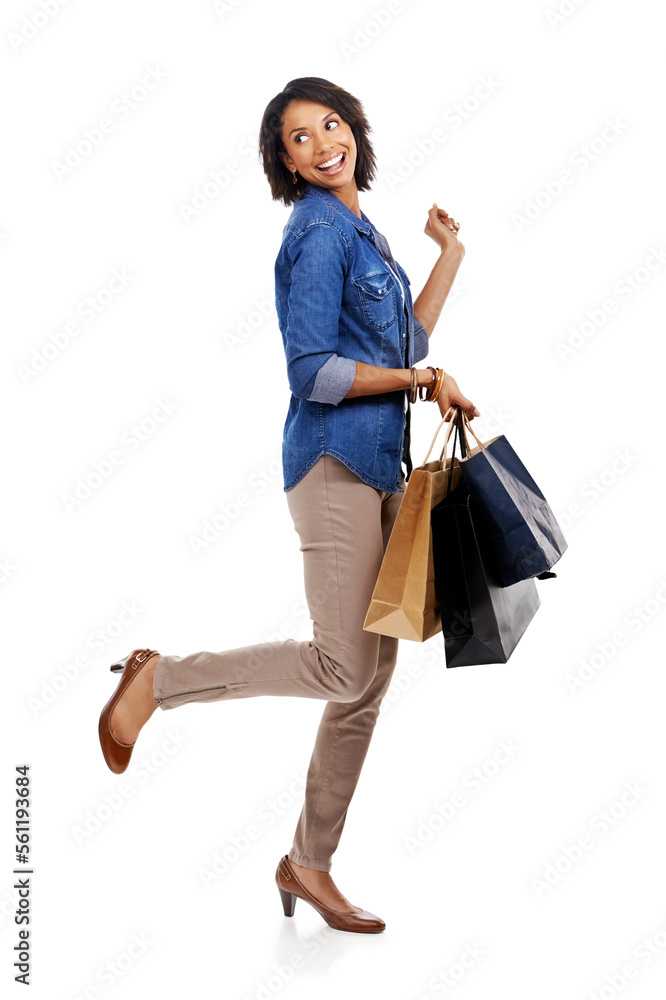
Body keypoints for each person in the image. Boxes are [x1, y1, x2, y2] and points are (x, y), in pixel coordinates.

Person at [98, 76, 479, 935]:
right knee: (345, 667)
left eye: (331, 124)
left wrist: (449, 257)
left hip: (378, 469)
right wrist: (422, 378)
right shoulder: (315, 233)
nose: (321, 144)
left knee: (367, 680)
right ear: (286, 163)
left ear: (356, 131)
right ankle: (158, 680)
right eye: (298, 138)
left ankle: (309, 864)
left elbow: (405, 343)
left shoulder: (361, 231)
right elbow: (314, 373)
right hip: (333, 465)